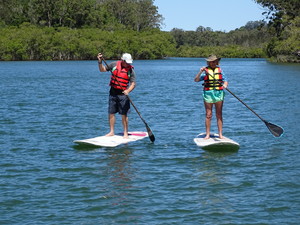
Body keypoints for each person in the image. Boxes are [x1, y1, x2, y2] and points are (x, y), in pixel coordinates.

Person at [97, 53, 136, 138]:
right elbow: (102, 70)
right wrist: (100, 62)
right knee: (111, 113)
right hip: (113, 92)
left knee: (124, 114)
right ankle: (111, 132)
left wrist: (128, 90)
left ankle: (125, 133)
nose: (128, 64)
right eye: (127, 62)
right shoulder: (114, 64)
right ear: (122, 60)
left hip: (123, 94)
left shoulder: (130, 70)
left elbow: (133, 84)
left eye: (129, 62)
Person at [194, 55, 228, 139]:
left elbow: (225, 80)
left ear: (217, 62)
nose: (213, 63)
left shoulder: (220, 70)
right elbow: (196, 80)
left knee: (219, 114)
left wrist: (225, 85)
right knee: (208, 115)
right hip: (208, 94)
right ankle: (207, 134)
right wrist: (200, 72)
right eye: (211, 62)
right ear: (208, 62)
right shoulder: (205, 71)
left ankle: (220, 134)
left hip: (219, 93)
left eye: (214, 61)